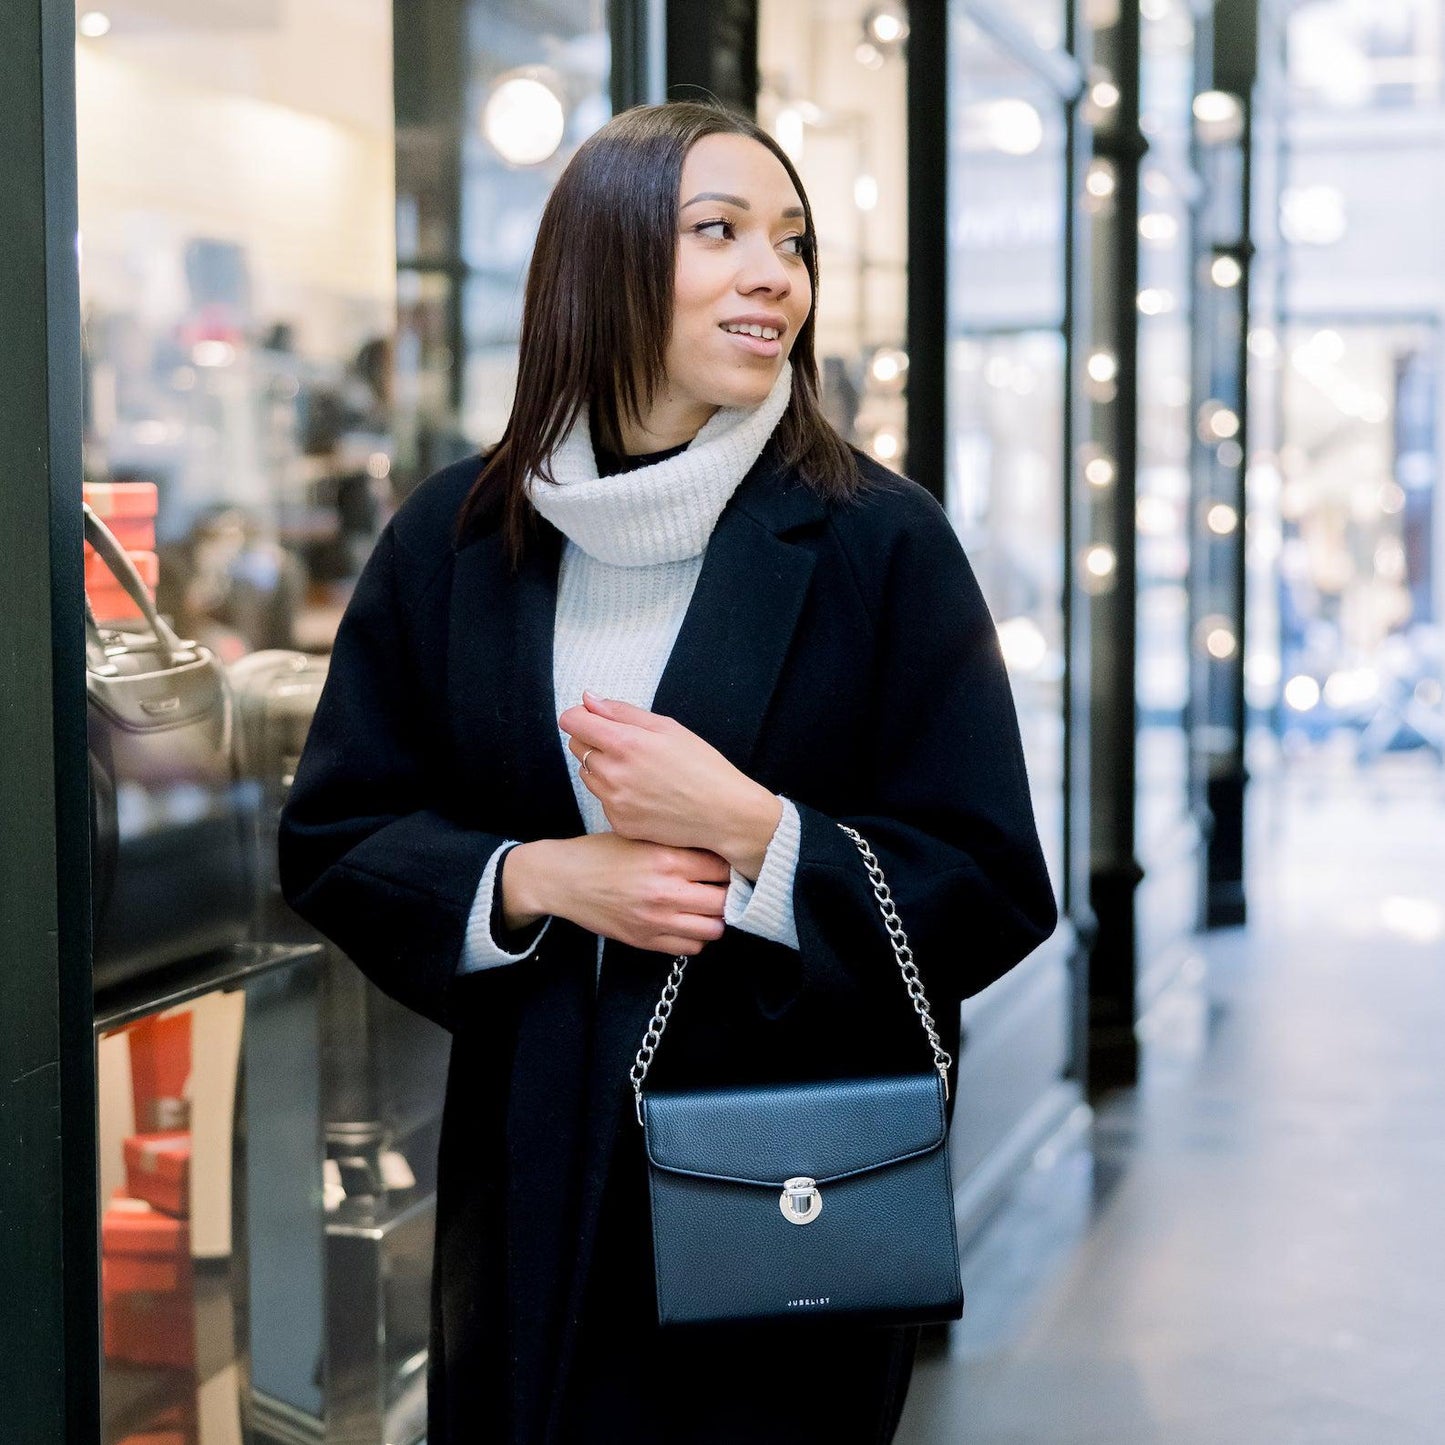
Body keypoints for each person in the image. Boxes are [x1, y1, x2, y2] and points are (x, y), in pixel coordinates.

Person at [278, 100, 1057, 1445]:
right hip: (523, 1185)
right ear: (604, 262)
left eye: (793, 242)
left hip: (777, 1190)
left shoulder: (877, 543)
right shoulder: (458, 537)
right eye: (721, 232)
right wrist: (536, 877)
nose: (777, 274)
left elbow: (991, 882)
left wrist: (757, 836)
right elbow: (339, 831)